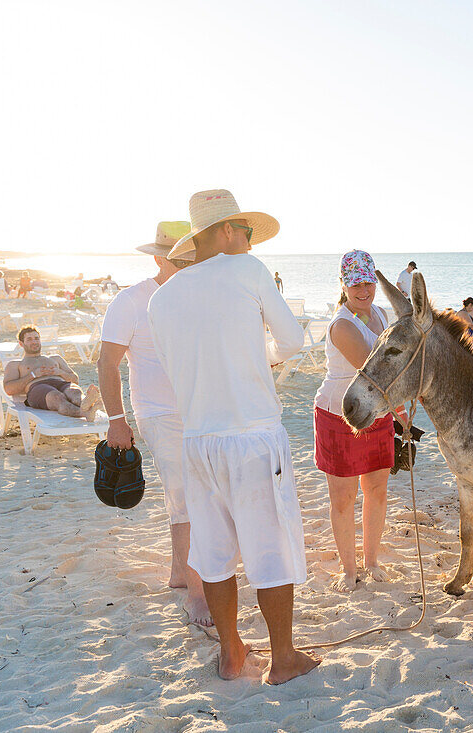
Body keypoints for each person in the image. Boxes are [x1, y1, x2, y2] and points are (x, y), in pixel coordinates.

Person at [150, 189, 319, 683]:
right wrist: (252, 354)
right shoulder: (248, 271)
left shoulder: (163, 297)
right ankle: (283, 658)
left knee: (215, 552)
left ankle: (231, 652)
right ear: (225, 230)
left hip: (197, 440)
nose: (248, 240)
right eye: (244, 230)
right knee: (271, 550)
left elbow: (174, 365)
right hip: (251, 436)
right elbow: (290, 342)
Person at [97, 220, 211, 628]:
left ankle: (180, 574)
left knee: (195, 495)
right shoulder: (131, 301)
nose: (190, 264)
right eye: (182, 257)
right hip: (159, 414)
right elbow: (106, 364)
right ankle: (197, 596)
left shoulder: (197, 297)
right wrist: (116, 420)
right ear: (160, 256)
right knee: (187, 497)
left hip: (201, 411)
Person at [314, 250, 396, 591]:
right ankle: (349, 570)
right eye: (355, 282)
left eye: (368, 281)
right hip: (340, 415)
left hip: (378, 412)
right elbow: (376, 371)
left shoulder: (380, 313)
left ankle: (371, 560)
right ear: (344, 284)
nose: (363, 289)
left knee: (376, 491)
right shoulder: (342, 324)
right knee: (343, 498)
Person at [3, 326, 101, 420]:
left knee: (75, 392)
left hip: (62, 383)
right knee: (56, 397)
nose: (34, 342)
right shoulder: (16, 364)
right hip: (37, 387)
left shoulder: (55, 358)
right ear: (21, 343)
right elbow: (8, 389)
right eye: (29, 339)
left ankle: (86, 402)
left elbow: (75, 380)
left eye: (36, 338)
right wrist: (33, 375)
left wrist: (60, 372)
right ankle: (85, 412)